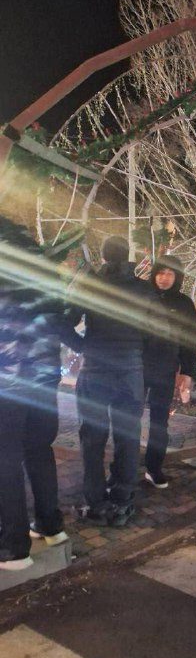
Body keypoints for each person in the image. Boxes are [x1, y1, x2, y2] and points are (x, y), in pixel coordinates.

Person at [0, 217, 71, 570]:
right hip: (44, 377)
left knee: (5, 460)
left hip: (8, 381)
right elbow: (60, 317)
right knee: (39, 450)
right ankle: (50, 526)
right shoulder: (45, 266)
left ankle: (14, 547)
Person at [72, 236, 153, 527]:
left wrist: (83, 347)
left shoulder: (91, 284)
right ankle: (122, 497)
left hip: (96, 370)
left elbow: (64, 322)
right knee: (128, 435)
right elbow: (156, 330)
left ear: (104, 257)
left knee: (92, 438)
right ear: (128, 256)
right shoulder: (144, 289)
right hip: (130, 370)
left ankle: (95, 502)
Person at [143, 255, 196, 488]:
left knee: (159, 422)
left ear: (177, 277)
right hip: (137, 367)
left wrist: (187, 371)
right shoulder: (142, 296)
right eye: (160, 272)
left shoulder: (184, 303)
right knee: (127, 418)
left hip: (165, 369)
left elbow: (190, 339)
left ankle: (154, 467)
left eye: (170, 274)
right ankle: (121, 469)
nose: (164, 278)